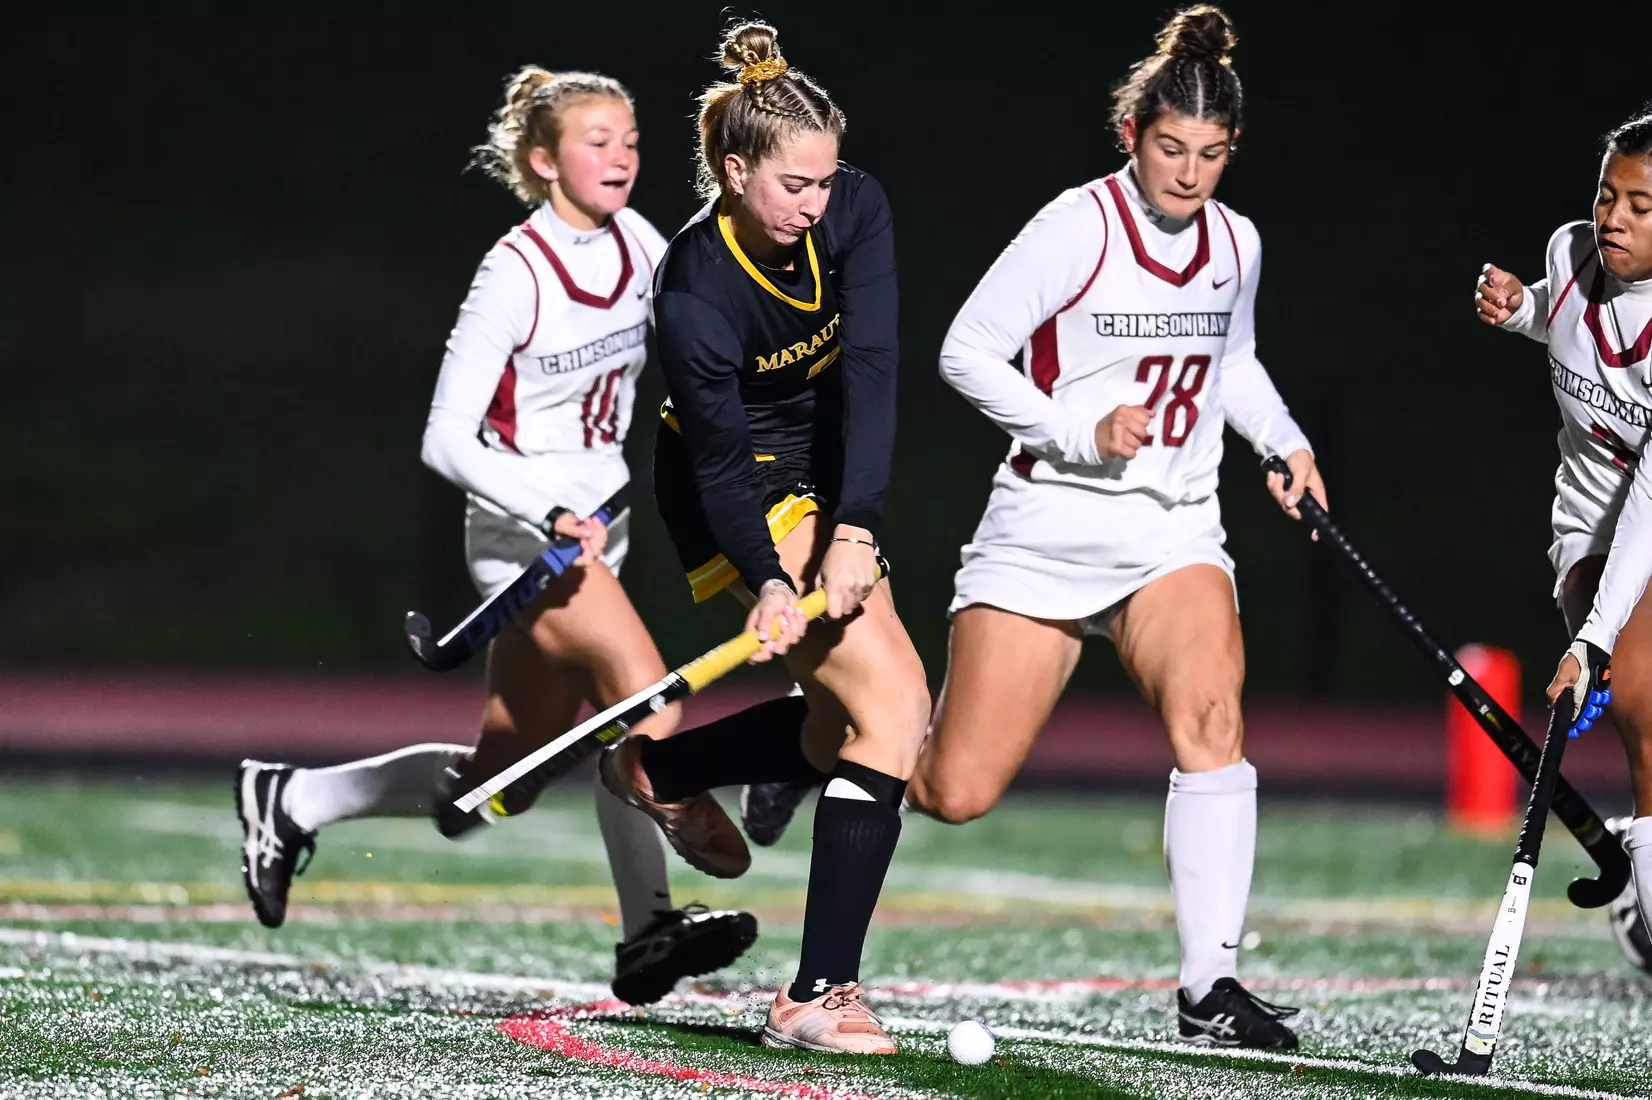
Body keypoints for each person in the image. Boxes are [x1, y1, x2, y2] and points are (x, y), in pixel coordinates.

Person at [233, 66, 757, 1006]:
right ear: (543, 159)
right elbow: (444, 438)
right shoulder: (514, 273)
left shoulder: (641, 245)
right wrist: (545, 508)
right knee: (648, 710)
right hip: (528, 549)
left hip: (605, 535)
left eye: (631, 141)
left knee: (496, 782)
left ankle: (294, 798)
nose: (622, 157)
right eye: (598, 141)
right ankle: (652, 926)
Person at [909, 4, 1316, 1051]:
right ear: (1132, 135)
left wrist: (1283, 441)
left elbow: (1231, 365)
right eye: (1170, 150)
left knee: (1211, 721)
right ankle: (814, 743)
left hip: (1171, 529)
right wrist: (1075, 428)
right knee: (951, 790)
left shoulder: (1236, 243)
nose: (1189, 175)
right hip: (1044, 529)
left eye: (1211, 155)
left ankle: (1207, 985)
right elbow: (967, 351)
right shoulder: (1073, 227)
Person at [597, 21, 928, 1055]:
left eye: (825, 182)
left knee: (843, 733)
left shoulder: (854, 207)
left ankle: (657, 767)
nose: (814, 204)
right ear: (735, 171)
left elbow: (869, 371)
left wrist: (858, 524)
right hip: (731, 478)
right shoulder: (694, 290)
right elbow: (720, 463)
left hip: (824, 462)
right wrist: (771, 578)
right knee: (894, 707)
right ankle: (815, 994)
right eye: (794, 186)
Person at [1477, 107, 1652, 973]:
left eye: (1642, 205)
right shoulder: (1568, 251)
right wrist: (1523, 311)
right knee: (1646, 695)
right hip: (1591, 530)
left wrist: (1590, 643)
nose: (1613, 217)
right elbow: (1571, 318)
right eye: (1606, 195)